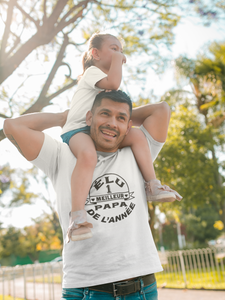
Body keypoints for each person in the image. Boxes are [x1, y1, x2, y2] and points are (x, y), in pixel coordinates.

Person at [3, 89, 181, 300]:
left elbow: (161, 110)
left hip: (141, 288)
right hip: (85, 290)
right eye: (104, 113)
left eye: (121, 118)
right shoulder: (60, 154)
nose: (112, 123)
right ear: (89, 117)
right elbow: (12, 126)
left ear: (128, 126)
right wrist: (65, 117)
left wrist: (118, 119)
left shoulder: (138, 151)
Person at [59, 32, 181, 242]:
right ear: (95, 53)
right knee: (88, 155)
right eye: (113, 48)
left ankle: (152, 184)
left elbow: (117, 103)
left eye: (120, 49)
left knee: (134, 135)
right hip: (77, 131)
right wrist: (118, 59)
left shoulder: (105, 85)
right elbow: (115, 83)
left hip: (95, 130)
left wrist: (124, 119)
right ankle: (77, 217)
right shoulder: (92, 73)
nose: (119, 53)